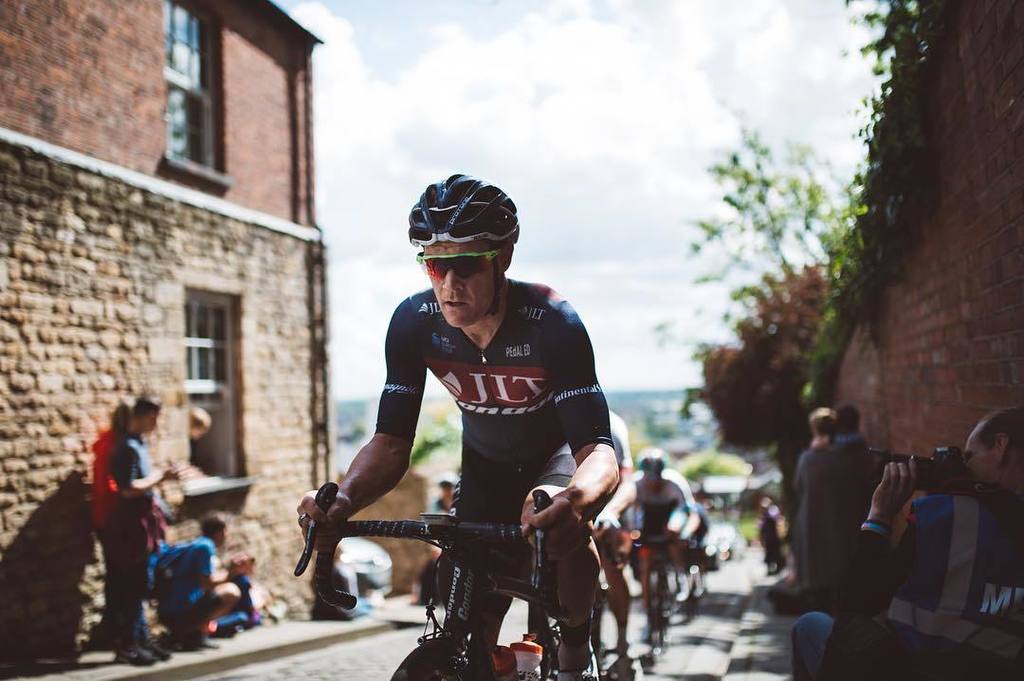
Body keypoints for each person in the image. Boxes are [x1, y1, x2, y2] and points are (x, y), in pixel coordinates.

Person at [297, 174, 619, 681]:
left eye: (466, 264)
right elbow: (390, 441)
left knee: (559, 521)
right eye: (435, 264)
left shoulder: (552, 321)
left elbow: (596, 448)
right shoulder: (414, 322)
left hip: (553, 463)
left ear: (503, 257)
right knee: (468, 635)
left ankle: (577, 655)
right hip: (486, 470)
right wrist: (345, 499)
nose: (449, 284)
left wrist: (577, 502)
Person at [792, 406, 1024, 681]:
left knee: (808, 625)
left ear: (1000, 446)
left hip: (913, 668)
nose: (965, 468)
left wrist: (879, 516)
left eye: (969, 456)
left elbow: (857, 604)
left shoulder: (943, 515)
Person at [103, 395, 179, 665]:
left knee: (143, 582)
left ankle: (141, 640)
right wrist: (161, 477)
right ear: (144, 416)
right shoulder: (126, 447)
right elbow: (127, 489)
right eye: (154, 417)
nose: (156, 423)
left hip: (144, 525)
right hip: (132, 527)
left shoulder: (139, 444)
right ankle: (128, 645)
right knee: (133, 585)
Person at [792, 407, 871, 613]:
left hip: (813, 531)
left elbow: (799, 486)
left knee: (820, 602)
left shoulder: (809, 459)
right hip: (846, 530)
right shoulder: (853, 456)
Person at [157, 513, 249, 649]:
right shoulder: (205, 547)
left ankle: (194, 634)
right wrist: (231, 573)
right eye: (226, 531)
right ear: (220, 532)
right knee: (231, 592)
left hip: (170, 610)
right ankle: (191, 633)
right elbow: (206, 583)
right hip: (180, 611)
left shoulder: (198, 544)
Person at [632, 448, 700, 632]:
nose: (654, 483)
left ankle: (680, 575)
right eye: (650, 479)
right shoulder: (635, 484)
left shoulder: (675, 482)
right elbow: (632, 513)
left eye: (657, 478)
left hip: (671, 514)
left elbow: (690, 513)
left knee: (673, 532)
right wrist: (632, 533)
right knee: (645, 562)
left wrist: (685, 533)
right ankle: (647, 608)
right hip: (648, 517)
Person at [592, 410, 637, 656]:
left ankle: (622, 641)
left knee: (614, 568)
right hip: (574, 504)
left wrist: (611, 512)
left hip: (610, 505)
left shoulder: (613, 426)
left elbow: (627, 483)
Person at [758, 495, 786, 576]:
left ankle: (778, 569)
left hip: (774, 538)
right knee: (769, 555)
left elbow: (776, 520)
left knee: (776, 554)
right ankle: (770, 570)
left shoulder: (773, 511)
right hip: (768, 539)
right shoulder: (763, 516)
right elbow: (761, 528)